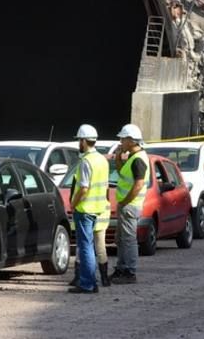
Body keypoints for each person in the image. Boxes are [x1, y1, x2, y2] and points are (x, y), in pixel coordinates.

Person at [68, 124, 109, 294]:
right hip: (97, 208)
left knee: (85, 247)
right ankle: (91, 282)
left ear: (84, 141)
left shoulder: (86, 161)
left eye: (79, 140)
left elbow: (83, 187)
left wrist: (73, 203)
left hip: (85, 209)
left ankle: (87, 283)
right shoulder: (102, 160)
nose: (79, 143)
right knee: (89, 246)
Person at [111, 123, 150, 284]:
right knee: (121, 239)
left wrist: (126, 201)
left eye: (123, 139)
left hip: (130, 205)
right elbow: (121, 173)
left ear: (131, 141)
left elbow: (138, 184)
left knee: (128, 239)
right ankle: (121, 268)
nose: (121, 142)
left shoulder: (138, 160)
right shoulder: (133, 158)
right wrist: (119, 159)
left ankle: (129, 271)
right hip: (126, 204)